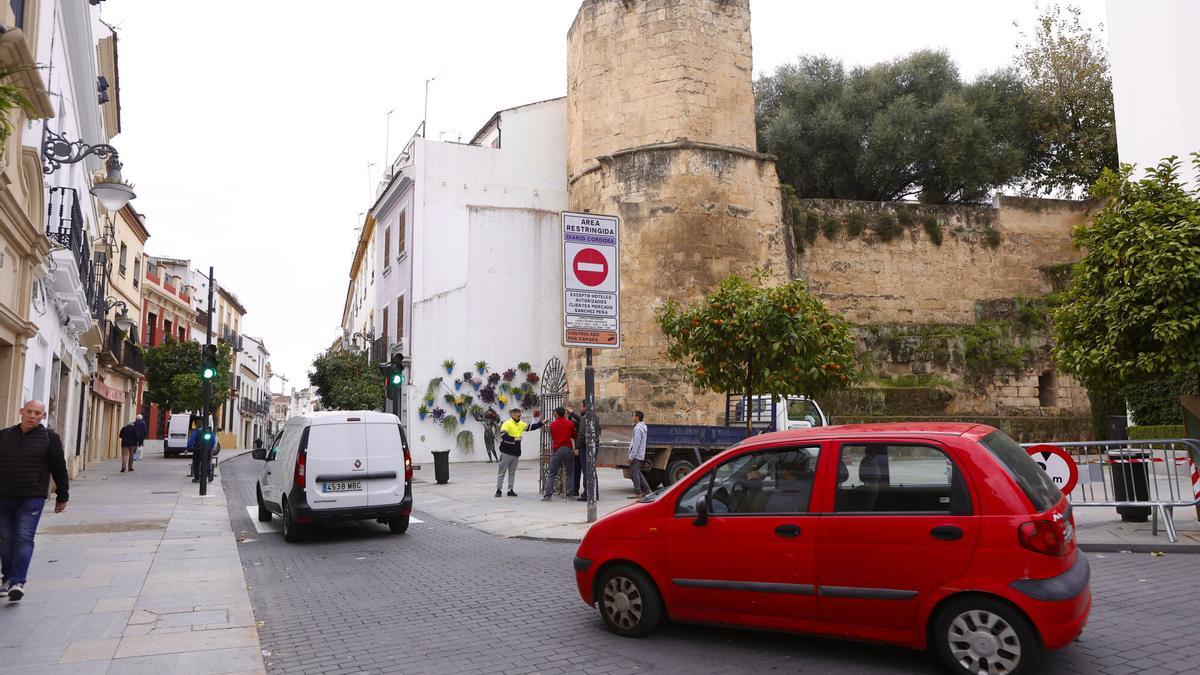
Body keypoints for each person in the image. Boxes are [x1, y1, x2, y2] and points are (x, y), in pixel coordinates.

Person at [0, 400, 69, 602]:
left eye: (37, 413)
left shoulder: (50, 438)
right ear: (21, 412)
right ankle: (7, 577)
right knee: (5, 539)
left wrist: (62, 495)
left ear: (43, 416)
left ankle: (18, 582)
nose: (32, 416)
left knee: (23, 537)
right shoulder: (4, 435)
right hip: (3, 496)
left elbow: (59, 468)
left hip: (32, 497)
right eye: (29, 411)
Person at [494, 408, 543, 498]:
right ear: (513, 415)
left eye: (520, 415)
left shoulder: (520, 423)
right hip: (506, 452)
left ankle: (510, 490)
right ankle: (498, 490)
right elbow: (503, 435)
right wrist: (514, 439)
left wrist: (541, 423)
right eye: (518, 415)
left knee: (512, 472)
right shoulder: (507, 423)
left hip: (516, 452)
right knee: (502, 472)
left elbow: (530, 427)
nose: (520, 417)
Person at [568, 403, 602, 501]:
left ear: (586, 407)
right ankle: (595, 492)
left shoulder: (584, 418)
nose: (580, 408)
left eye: (582, 407)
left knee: (586, 470)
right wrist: (571, 414)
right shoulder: (595, 417)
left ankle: (587, 493)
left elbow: (581, 434)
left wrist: (577, 447)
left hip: (585, 447)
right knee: (592, 470)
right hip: (594, 445)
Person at [542, 407, 576, 501]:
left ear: (556, 413)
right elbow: (574, 435)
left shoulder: (553, 424)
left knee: (552, 472)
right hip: (568, 449)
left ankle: (548, 495)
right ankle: (570, 495)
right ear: (564, 413)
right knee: (570, 473)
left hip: (557, 449)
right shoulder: (570, 423)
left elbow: (553, 436)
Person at [628, 410, 649, 498]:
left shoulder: (637, 429)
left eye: (633, 416)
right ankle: (647, 490)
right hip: (640, 453)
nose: (632, 418)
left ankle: (638, 492)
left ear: (637, 417)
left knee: (634, 473)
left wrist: (631, 456)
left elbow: (636, 443)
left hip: (636, 455)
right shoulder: (643, 427)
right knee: (637, 472)